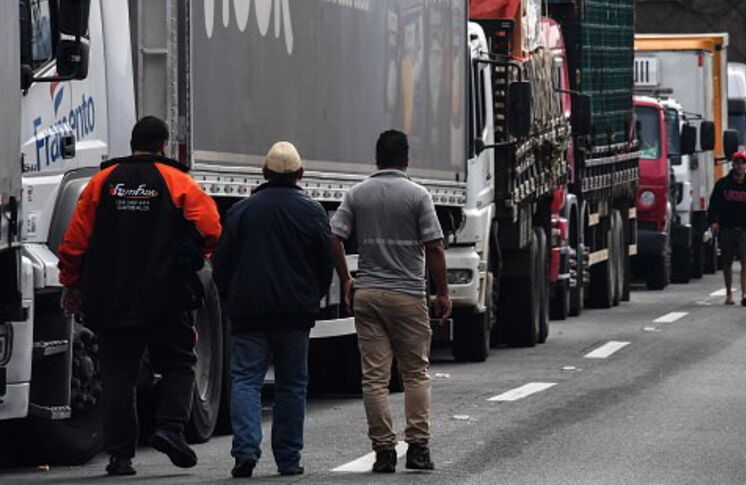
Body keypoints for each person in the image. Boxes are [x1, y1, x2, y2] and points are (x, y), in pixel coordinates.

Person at [57, 116, 221, 477]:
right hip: (165, 296)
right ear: (163, 145)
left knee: (118, 375)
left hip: (111, 296)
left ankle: (120, 456)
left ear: (132, 144)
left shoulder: (102, 182)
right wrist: (196, 253)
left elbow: (74, 242)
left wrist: (71, 283)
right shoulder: (177, 181)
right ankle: (169, 427)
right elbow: (210, 225)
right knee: (179, 362)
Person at [331, 130, 452, 474]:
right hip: (408, 295)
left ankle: (384, 451)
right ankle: (417, 449)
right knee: (415, 373)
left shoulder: (357, 194)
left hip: (367, 294)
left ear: (377, 158)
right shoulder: (418, 195)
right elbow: (434, 247)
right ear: (406, 159)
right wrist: (442, 292)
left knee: (374, 378)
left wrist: (345, 278)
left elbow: (335, 236)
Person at [212, 141, 333, 478]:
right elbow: (324, 265)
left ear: (263, 173)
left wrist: (230, 297)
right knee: (292, 384)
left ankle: (246, 452)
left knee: (246, 380)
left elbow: (223, 263)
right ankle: (288, 459)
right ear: (300, 173)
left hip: (250, 312)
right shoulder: (312, 211)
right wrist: (313, 297)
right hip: (295, 313)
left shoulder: (242, 211)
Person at [708, 151, 746, 307]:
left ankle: (745, 293)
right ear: (733, 165)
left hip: (745, 229)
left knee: (745, 260)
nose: (740, 166)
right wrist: (713, 222)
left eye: (742, 163)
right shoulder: (723, 184)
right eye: (737, 163)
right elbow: (713, 205)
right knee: (727, 261)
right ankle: (729, 293)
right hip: (727, 228)